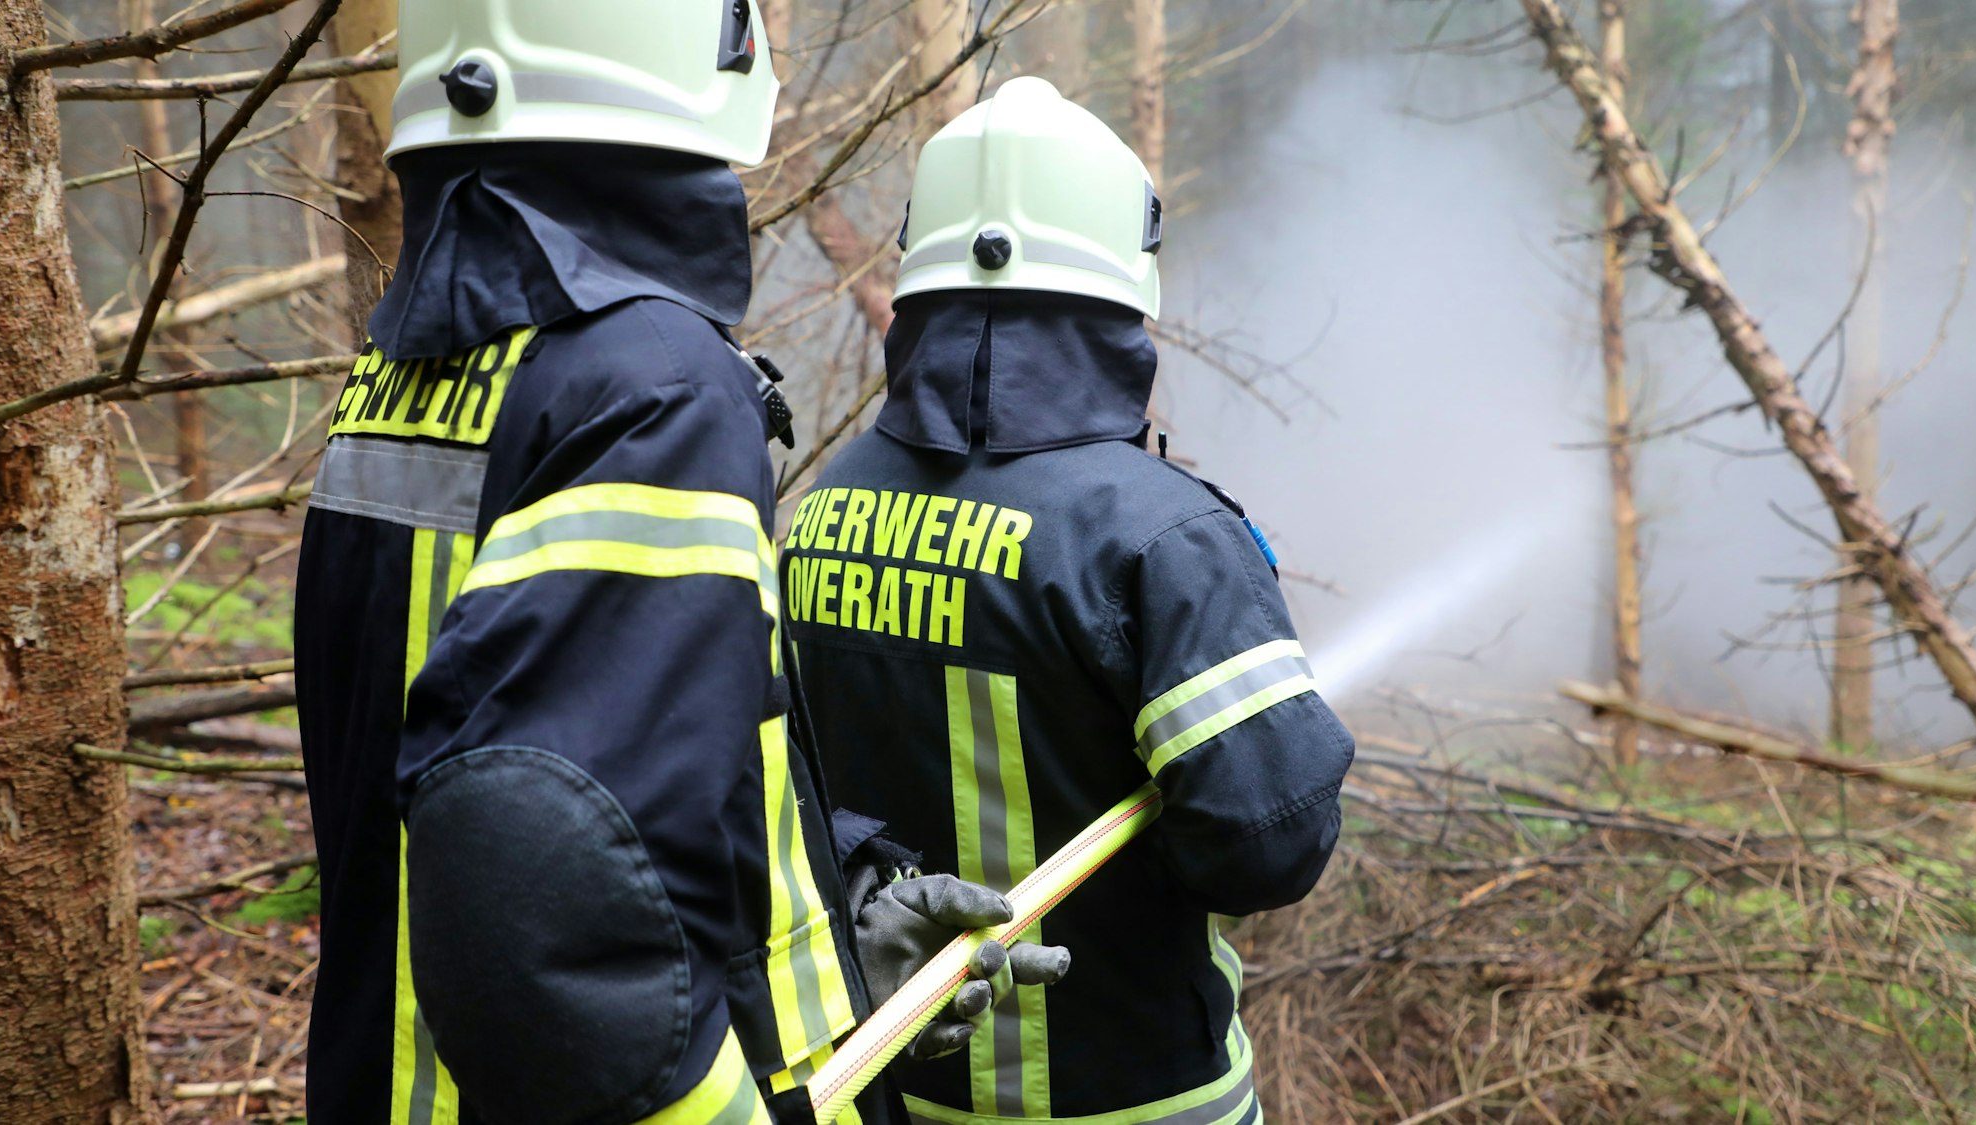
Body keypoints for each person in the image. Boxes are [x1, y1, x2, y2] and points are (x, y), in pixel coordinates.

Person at [294, 6, 1060, 1124]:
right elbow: (543, 862)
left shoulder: (408, 374)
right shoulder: (652, 387)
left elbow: (558, 761)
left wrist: (840, 912)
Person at [782, 76, 1357, 1125]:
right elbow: (1268, 846)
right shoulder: (1159, 535)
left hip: (883, 1084)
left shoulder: (827, 501)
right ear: (1121, 286)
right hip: (1136, 1095)